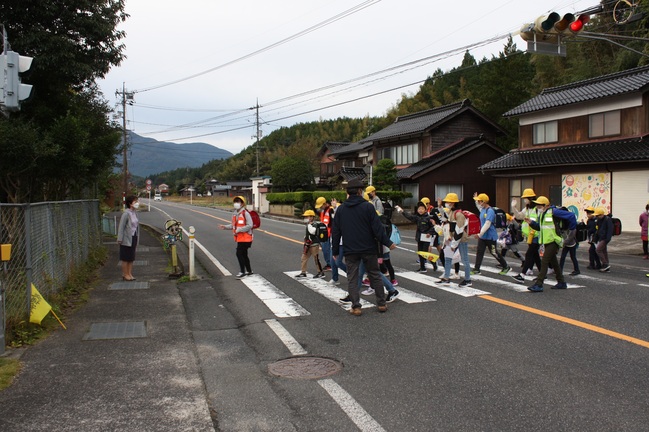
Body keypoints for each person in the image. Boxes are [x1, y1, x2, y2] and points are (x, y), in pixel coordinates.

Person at [332, 180, 396, 316]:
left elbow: (336, 231)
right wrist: (388, 242)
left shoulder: (341, 209)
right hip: (369, 248)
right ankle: (381, 304)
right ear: (360, 191)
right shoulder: (368, 207)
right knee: (374, 275)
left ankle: (356, 307)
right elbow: (377, 229)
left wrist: (335, 250)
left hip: (350, 249)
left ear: (347, 192)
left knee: (352, 278)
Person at [525, 196, 573, 292]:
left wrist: (572, 229)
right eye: (537, 205)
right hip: (547, 241)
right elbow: (540, 228)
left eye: (539, 205)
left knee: (544, 261)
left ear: (545, 205)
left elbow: (571, 216)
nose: (538, 207)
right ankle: (561, 282)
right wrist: (531, 223)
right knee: (554, 263)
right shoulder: (543, 214)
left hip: (554, 240)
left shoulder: (554, 212)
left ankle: (539, 284)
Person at [437, 193, 472, 287]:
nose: (446, 203)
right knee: (447, 258)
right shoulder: (451, 212)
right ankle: (446, 278)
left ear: (452, 203)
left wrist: (453, 244)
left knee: (465, 260)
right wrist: (439, 207)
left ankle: (468, 280)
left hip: (461, 240)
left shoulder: (459, 214)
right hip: (452, 238)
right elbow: (443, 217)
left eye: (448, 201)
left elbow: (459, 231)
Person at [471, 193, 510, 275]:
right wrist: (475, 199)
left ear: (483, 202)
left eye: (479, 201)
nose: (478, 202)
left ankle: (506, 266)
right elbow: (478, 207)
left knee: (494, 252)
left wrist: (479, 234)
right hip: (483, 237)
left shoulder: (490, 211)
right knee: (479, 252)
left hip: (490, 237)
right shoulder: (482, 209)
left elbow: (487, 224)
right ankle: (476, 269)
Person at [395, 201, 436, 273]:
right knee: (420, 253)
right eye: (419, 209)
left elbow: (434, 227)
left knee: (425, 253)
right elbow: (409, 216)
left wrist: (429, 233)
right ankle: (422, 268)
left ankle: (434, 262)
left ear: (425, 210)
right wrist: (402, 211)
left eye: (422, 209)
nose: (420, 210)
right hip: (419, 236)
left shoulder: (428, 218)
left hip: (426, 237)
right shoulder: (417, 217)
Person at [218, 196, 253, 279]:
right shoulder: (235, 213)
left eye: (238, 201)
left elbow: (250, 225)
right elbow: (234, 225)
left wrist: (239, 229)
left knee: (239, 253)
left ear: (242, 203)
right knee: (244, 254)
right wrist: (225, 227)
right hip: (240, 238)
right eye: (235, 201)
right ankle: (249, 271)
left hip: (246, 237)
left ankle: (242, 271)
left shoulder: (245, 213)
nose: (236, 203)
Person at [510, 189, 541, 283]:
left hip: (537, 235)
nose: (524, 200)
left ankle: (522, 275)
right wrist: (514, 208)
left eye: (525, 198)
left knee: (529, 254)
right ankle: (542, 274)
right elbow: (519, 216)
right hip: (530, 236)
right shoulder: (527, 208)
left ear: (530, 198)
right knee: (535, 256)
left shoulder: (537, 209)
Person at [295, 210, 325, 279]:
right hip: (308, 244)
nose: (305, 218)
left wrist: (309, 225)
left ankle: (320, 272)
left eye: (307, 216)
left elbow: (313, 232)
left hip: (314, 244)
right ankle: (303, 272)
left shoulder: (314, 224)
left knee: (316, 259)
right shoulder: (309, 224)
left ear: (311, 217)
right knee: (304, 257)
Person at [117, 195, 140, 281]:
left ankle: (129, 274)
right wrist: (120, 238)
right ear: (130, 204)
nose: (137, 203)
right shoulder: (126, 214)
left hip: (134, 237)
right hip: (126, 238)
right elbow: (121, 227)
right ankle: (125, 274)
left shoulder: (135, 213)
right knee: (125, 257)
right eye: (135, 202)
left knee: (131, 257)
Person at [314, 197, 333, 270]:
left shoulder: (330, 210)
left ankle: (330, 264)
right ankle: (329, 264)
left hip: (330, 233)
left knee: (328, 250)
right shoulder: (323, 211)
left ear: (325, 204)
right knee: (325, 250)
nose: (320, 207)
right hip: (324, 233)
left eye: (321, 206)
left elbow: (333, 222)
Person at [594, 207, 614, 272]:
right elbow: (598, 229)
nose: (597, 217)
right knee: (604, 251)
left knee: (598, 250)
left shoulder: (607, 220)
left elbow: (610, 230)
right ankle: (606, 265)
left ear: (601, 214)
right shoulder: (599, 220)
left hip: (605, 238)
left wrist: (607, 238)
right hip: (601, 237)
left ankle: (605, 264)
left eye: (598, 215)